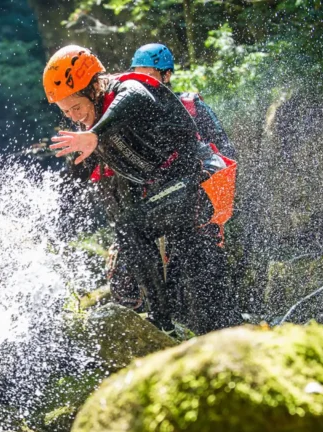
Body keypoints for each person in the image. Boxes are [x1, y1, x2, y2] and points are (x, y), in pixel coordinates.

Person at [45, 45, 239, 334]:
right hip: (175, 193)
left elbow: (135, 99)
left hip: (202, 180)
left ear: (95, 87)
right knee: (162, 262)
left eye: (76, 106)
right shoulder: (94, 129)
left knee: (156, 242)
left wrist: (95, 136)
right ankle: (170, 327)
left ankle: (166, 326)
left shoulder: (129, 89)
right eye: (66, 111)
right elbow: (117, 188)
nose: (74, 116)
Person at [130, 43, 236, 158]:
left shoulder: (190, 106)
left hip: (191, 171)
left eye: (148, 76)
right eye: (137, 78)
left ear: (166, 76)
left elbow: (225, 149)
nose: (142, 83)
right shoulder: (130, 110)